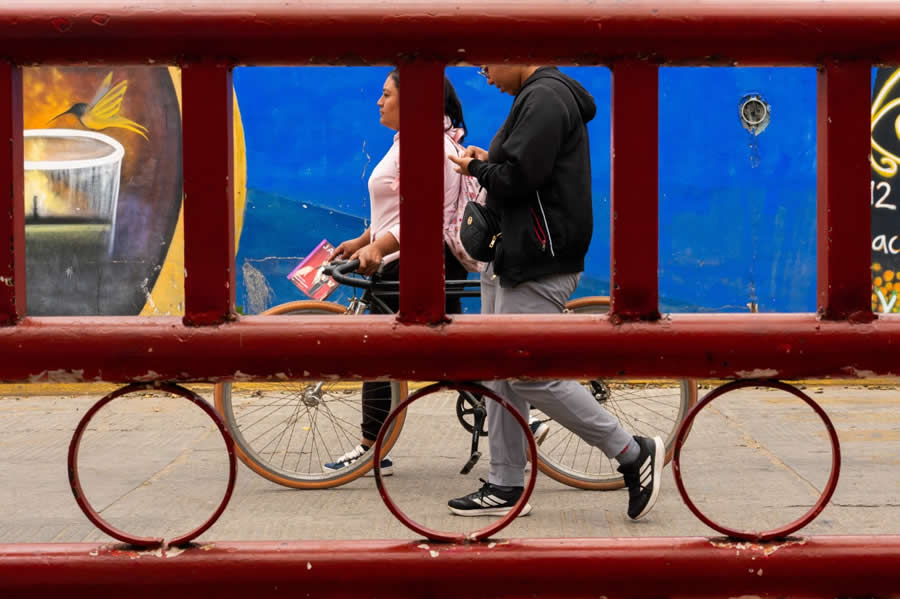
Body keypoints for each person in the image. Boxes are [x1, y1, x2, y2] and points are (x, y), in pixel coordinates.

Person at [446, 65, 663, 520]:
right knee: (500, 371)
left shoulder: (545, 96)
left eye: (486, 63)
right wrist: (489, 162)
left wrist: (477, 167)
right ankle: (505, 483)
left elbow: (519, 178)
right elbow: (525, 172)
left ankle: (629, 451)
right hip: (516, 254)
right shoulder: (538, 96)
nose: (483, 75)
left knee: (528, 373)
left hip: (538, 258)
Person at [322, 69, 471, 475]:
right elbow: (397, 210)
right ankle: (372, 447)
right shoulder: (408, 144)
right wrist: (362, 240)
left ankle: (521, 417)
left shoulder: (433, 148)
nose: (378, 101)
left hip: (419, 264)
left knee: (428, 354)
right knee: (391, 353)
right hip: (396, 261)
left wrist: (380, 246)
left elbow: (427, 217)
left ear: (416, 100)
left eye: (386, 94)